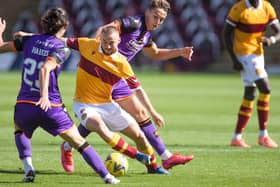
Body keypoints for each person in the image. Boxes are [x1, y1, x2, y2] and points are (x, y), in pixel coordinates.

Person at [61, 0, 194, 172]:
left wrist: (180, 52)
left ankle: (165, 158)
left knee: (138, 113)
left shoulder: (145, 35)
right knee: (97, 117)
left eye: (162, 20)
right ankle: (67, 146)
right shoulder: (133, 23)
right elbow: (105, 29)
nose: (158, 22)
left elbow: (154, 54)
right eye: (155, 17)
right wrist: (95, 53)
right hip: (101, 74)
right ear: (147, 11)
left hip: (118, 78)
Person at [0, 8, 120, 184]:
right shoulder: (61, 48)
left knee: (20, 130)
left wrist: (1, 33)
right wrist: (44, 96)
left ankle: (28, 169)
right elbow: (45, 68)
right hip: (51, 107)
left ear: (44, 24)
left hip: (25, 104)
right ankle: (108, 177)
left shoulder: (28, 41)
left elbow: (2, 48)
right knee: (79, 142)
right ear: (65, 26)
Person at [61, 25, 168, 174]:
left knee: (139, 136)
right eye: (104, 42)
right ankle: (136, 155)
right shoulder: (87, 44)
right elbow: (59, 40)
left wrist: (153, 112)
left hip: (107, 105)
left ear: (119, 41)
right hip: (83, 104)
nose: (108, 46)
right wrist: (30, 37)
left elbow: (138, 90)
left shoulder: (122, 63)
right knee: (99, 127)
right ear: (100, 40)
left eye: (111, 42)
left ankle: (153, 168)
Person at [223, 0, 280, 148]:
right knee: (266, 88)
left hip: (258, 54)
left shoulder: (267, 7)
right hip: (244, 54)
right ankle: (264, 136)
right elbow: (226, 34)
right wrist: (234, 59)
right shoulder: (239, 9)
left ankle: (237, 138)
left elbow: (278, 31)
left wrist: (271, 39)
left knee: (250, 93)